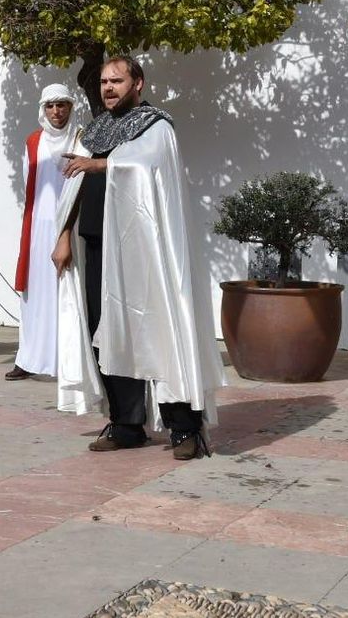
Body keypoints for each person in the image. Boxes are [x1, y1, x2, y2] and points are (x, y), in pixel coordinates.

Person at [51, 56, 227, 461]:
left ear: (138, 83)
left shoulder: (156, 127)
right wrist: (63, 235)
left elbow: (147, 169)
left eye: (117, 80)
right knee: (107, 336)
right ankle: (127, 424)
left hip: (143, 255)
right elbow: (73, 187)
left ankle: (185, 428)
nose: (108, 87)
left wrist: (100, 164)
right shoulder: (94, 129)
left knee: (157, 332)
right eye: (104, 82)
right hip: (97, 246)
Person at [7, 84, 79, 381]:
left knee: (68, 292)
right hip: (39, 227)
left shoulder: (81, 139)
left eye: (61, 104)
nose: (56, 111)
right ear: (43, 109)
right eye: (50, 106)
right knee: (35, 292)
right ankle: (30, 357)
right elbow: (30, 185)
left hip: (71, 224)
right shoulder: (33, 141)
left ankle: (69, 361)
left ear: (70, 107)